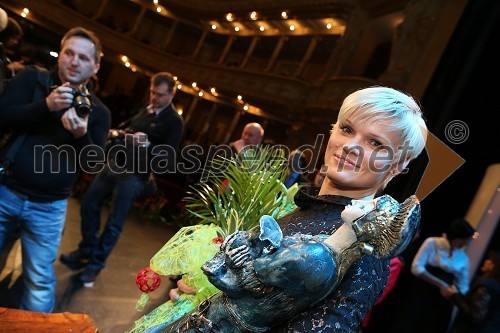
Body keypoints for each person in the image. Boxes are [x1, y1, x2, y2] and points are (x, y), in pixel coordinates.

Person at [170, 85, 428, 332]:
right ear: (332, 130)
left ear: (398, 164)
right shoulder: (307, 209)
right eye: (347, 129)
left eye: (375, 143)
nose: (351, 146)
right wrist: (196, 298)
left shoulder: (363, 252)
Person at [0, 27, 110, 312]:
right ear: (60, 54)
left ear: (95, 66)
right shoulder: (32, 79)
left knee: (39, 283)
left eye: (84, 58)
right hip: (6, 191)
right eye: (69, 53)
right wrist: (45, 106)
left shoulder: (97, 111)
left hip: (49, 208)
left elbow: (92, 164)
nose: (75, 61)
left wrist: (81, 136)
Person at [60, 72, 184, 286]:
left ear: (172, 94)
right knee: (89, 203)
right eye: (153, 92)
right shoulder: (146, 110)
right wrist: (119, 132)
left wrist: (149, 146)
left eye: (160, 95)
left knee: (115, 222)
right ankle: (87, 249)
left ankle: (95, 265)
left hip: (136, 175)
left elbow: (169, 155)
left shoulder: (174, 121)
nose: (154, 97)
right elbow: (129, 130)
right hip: (116, 163)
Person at [407, 218, 475, 333]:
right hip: (422, 293)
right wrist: (441, 284)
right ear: (458, 237)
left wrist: (455, 292)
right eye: (466, 239)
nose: (467, 242)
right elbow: (416, 267)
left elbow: (464, 286)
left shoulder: (463, 258)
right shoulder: (432, 242)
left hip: (442, 301)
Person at [449, 250, 500, 333]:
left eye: (490, 260)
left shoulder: (487, 286)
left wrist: (454, 296)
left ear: (493, 266)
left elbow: (476, 316)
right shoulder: (495, 284)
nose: (486, 261)